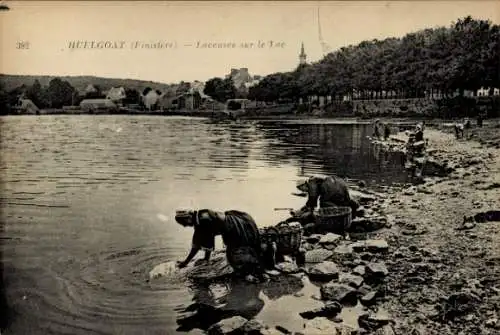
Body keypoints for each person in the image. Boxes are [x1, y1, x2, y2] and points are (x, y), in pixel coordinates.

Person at [175, 209, 266, 282]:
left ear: (188, 217)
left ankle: (247, 274)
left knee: (233, 254)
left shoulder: (203, 221)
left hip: (234, 227)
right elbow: (203, 240)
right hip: (233, 223)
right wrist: (206, 258)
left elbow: (199, 245)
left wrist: (185, 263)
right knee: (233, 253)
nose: (185, 226)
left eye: (184, 223)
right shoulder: (200, 215)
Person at [287, 175, 359, 229]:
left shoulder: (311, 183)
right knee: (342, 202)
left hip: (331, 187)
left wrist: (308, 209)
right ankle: (352, 212)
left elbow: (313, 198)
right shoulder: (318, 180)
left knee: (324, 203)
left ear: (304, 184)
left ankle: (329, 221)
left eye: (301, 189)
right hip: (341, 183)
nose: (303, 191)